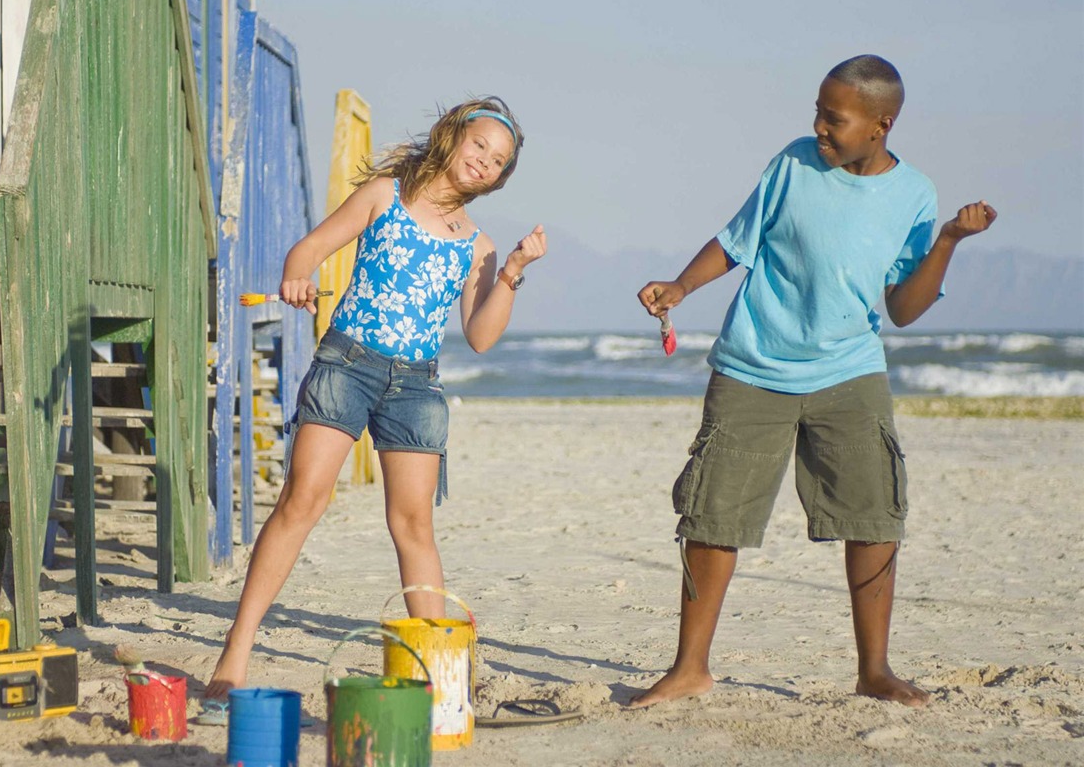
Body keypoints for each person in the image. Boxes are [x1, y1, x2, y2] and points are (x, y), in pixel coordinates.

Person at [629, 55, 996, 709]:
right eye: (819, 113)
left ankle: (874, 670)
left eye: (835, 119)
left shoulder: (914, 196)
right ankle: (690, 668)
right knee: (712, 515)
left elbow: (904, 310)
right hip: (753, 366)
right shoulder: (793, 163)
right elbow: (736, 240)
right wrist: (682, 285)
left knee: (876, 516)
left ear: (881, 125)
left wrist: (946, 242)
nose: (819, 127)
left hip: (849, 373)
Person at [205, 96, 547, 697]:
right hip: (348, 363)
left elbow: (482, 336)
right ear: (453, 136)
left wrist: (514, 268)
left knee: (414, 525)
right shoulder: (385, 195)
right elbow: (307, 251)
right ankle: (236, 652)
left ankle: (438, 675)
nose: (483, 162)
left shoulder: (481, 246)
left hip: (416, 387)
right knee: (302, 501)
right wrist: (298, 277)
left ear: (499, 179)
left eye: (497, 162)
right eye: (479, 146)